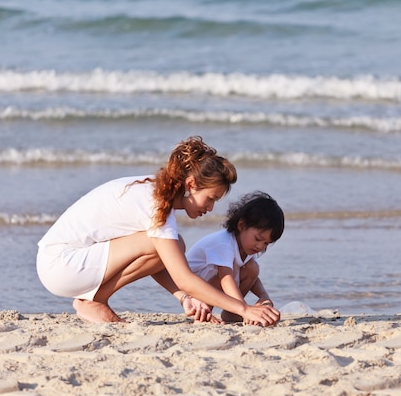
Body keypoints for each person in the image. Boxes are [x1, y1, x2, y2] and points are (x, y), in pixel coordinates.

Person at [36, 136, 280, 326]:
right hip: (61, 264)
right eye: (210, 198)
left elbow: (158, 263)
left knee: (174, 245)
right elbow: (183, 277)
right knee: (166, 244)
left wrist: (185, 299)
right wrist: (245, 309)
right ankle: (94, 301)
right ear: (191, 185)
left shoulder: (158, 198)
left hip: (70, 264)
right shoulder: (155, 204)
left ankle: (94, 299)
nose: (211, 207)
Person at [185, 191, 284, 325]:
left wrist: (264, 297)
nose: (260, 246)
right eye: (258, 239)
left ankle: (231, 312)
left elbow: (253, 278)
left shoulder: (247, 247)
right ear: (241, 225)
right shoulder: (224, 243)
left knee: (252, 268)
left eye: (266, 243)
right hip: (192, 288)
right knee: (226, 274)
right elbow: (226, 279)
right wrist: (245, 309)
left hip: (212, 282)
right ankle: (203, 313)